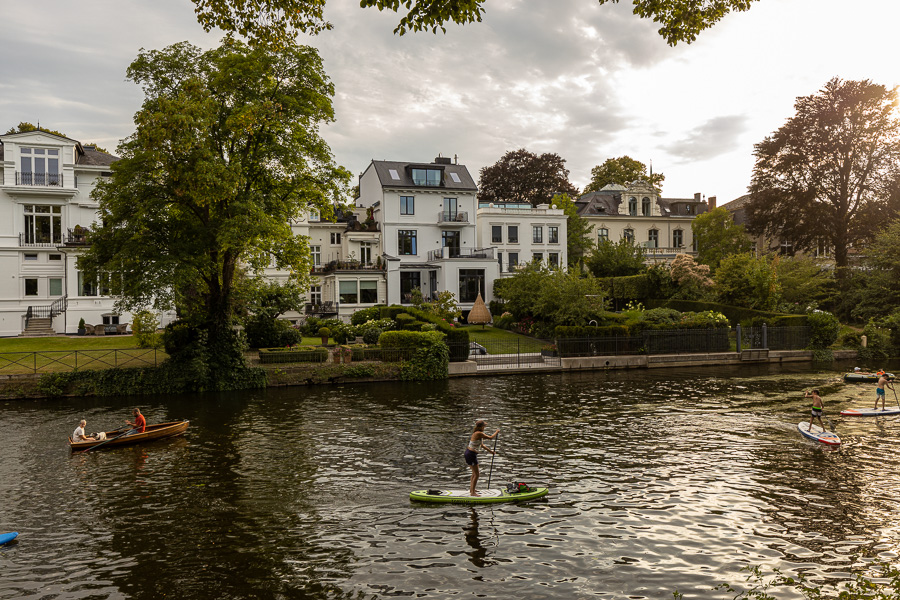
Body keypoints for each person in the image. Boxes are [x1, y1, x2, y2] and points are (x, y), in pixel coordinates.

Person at [464, 420, 499, 496]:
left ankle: (472, 489)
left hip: (470, 454)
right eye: (484, 426)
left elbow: (482, 445)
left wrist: (491, 452)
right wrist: (496, 432)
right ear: (480, 427)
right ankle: (473, 493)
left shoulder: (478, 434)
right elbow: (490, 438)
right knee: (477, 474)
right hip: (471, 454)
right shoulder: (479, 433)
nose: (484, 427)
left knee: (474, 473)